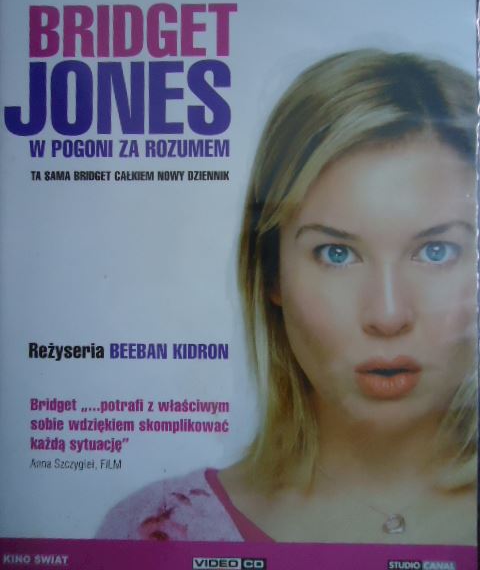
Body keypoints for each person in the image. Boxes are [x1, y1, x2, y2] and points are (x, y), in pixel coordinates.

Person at [97, 50, 477, 544]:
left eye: (436, 250)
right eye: (337, 253)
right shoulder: (158, 534)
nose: (387, 315)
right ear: (271, 273)